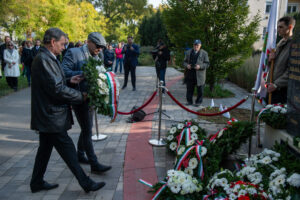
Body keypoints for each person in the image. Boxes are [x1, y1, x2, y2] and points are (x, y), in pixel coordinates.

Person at [30, 27, 105, 193]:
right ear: (52, 42)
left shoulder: (48, 57)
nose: (65, 47)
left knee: (44, 150)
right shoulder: (44, 59)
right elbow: (56, 89)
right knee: (68, 150)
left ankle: (36, 182)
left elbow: (55, 81)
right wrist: (80, 96)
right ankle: (86, 183)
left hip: (48, 114)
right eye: (63, 44)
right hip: (51, 115)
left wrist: (70, 79)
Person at [62, 32, 112, 174]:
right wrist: (85, 73)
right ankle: (94, 163)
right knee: (87, 129)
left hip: (91, 97)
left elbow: (101, 74)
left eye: (102, 47)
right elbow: (63, 72)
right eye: (97, 46)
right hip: (78, 97)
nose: (100, 49)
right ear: (89, 42)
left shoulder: (99, 55)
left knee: (87, 127)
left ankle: (79, 154)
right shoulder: (74, 52)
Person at [267, 16, 296, 104]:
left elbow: (292, 70)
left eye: (281, 27)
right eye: (278, 26)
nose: (278, 29)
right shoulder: (280, 43)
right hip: (273, 88)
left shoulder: (295, 45)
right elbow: (274, 66)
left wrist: (276, 84)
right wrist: (270, 59)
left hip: (283, 91)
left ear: (290, 27)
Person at [183, 39, 209, 106]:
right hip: (190, 73)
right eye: (195, 45)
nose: (196, 46)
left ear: (200, 45)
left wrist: (200, 66)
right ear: (193, 45)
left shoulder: (204, 53)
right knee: (189, 88)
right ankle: (189, 101)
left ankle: (198, 102)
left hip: (200, 75)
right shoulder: (188, 52)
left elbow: (207, 64)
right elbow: (184, 62)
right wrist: (187, 65)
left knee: (200, 90)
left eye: (197, 45)